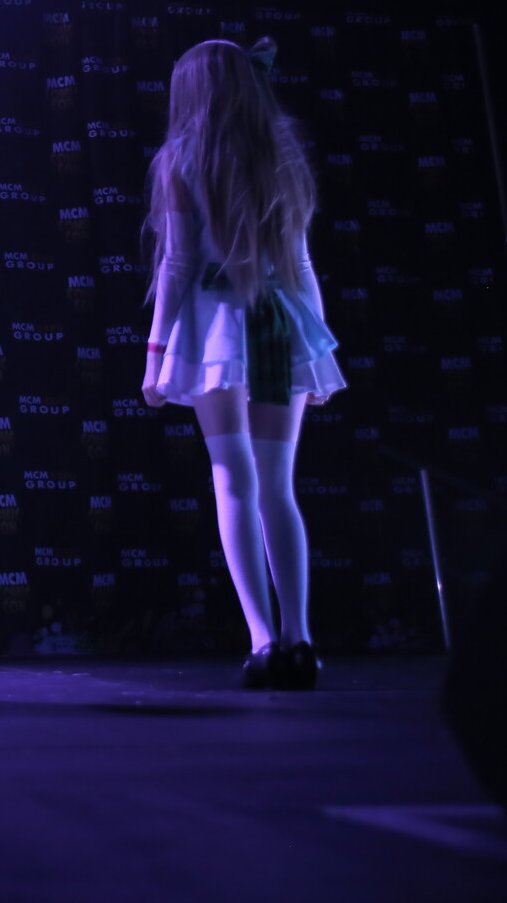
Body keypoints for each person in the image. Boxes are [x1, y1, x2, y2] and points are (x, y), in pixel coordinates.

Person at [141, 36, 344, 689]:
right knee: (277, 485)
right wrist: (319, 349)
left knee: (233, 479)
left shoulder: (180, 158)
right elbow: (301, 265)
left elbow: (177, 263)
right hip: (275, 324)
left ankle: (262, 641)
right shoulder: (280, 157)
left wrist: (154, 354)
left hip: (215, 328)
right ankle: (299, 639)